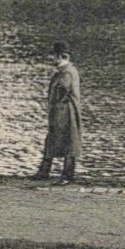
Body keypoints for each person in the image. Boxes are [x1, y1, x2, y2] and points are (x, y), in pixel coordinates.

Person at [34, 42, 83, 183]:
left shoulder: (66, 72)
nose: (52, 59)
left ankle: (67, 175)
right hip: (61, 110)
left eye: (54, 56)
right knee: (54, 140)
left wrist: (55, 108)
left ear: (62, 56)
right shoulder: (65, 71)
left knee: (68, 142)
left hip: (65, 111)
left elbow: (62, 92)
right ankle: (45, 172)